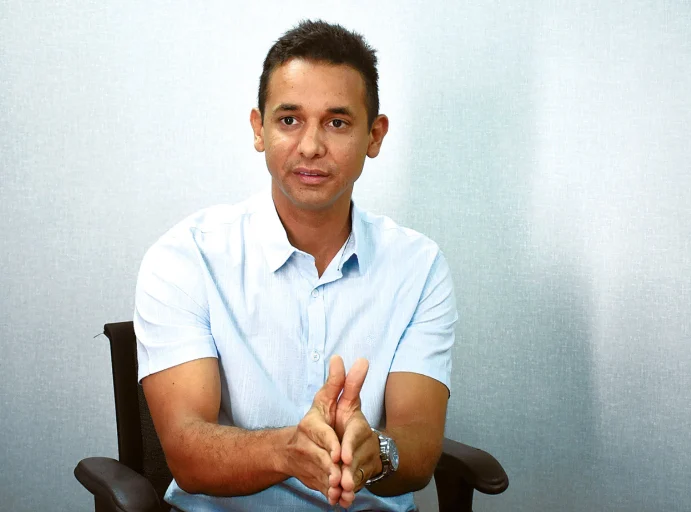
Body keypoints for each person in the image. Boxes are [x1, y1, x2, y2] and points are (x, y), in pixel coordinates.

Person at [134, 19, 457, 512]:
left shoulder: (419, 267)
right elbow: (187, 452)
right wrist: (287, 451)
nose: (310, 146)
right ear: (258, 129)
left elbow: (419, 445)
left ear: (374, 135)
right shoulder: (185, 258)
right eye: (289, 120)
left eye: (337, 123)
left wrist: (376, 453)